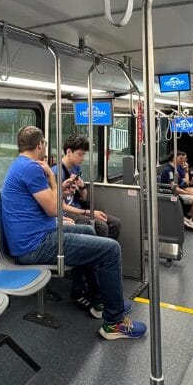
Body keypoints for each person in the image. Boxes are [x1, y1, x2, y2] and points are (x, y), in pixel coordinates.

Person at [1, 126, 145, 340]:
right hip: (35, 245)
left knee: (89, 229)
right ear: (40, 145)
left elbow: (46, 205)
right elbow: (53, 209)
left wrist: (60, 187)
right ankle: (114, 323)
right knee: (111, 249)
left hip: (40, 234)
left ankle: (99, 300)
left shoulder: (21, 165)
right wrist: (52, 177)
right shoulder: (31, 168)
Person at [58, 134, 123, 314]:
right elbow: (59, 204)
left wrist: (82, 186)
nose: (82, 158)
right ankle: (93, 281)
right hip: (67, 213)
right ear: (69, 152)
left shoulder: (76, 169)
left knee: (115, 224)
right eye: (79, 154)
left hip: (77, 208)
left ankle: (99, 267)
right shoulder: (57, 171)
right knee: (100, 227)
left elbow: (84, 198)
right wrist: (88, 212)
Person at [159, 151, 193, 230]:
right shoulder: (169, 171)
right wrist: (189, 193)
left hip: (177, 191)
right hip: (171, 194)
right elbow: (174, 188)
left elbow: (182, 184)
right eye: (180, 158)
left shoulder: (175, 169)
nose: (182, 160)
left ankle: (188, 216)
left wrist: (189, 192)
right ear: (173, 158)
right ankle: (192, 219)